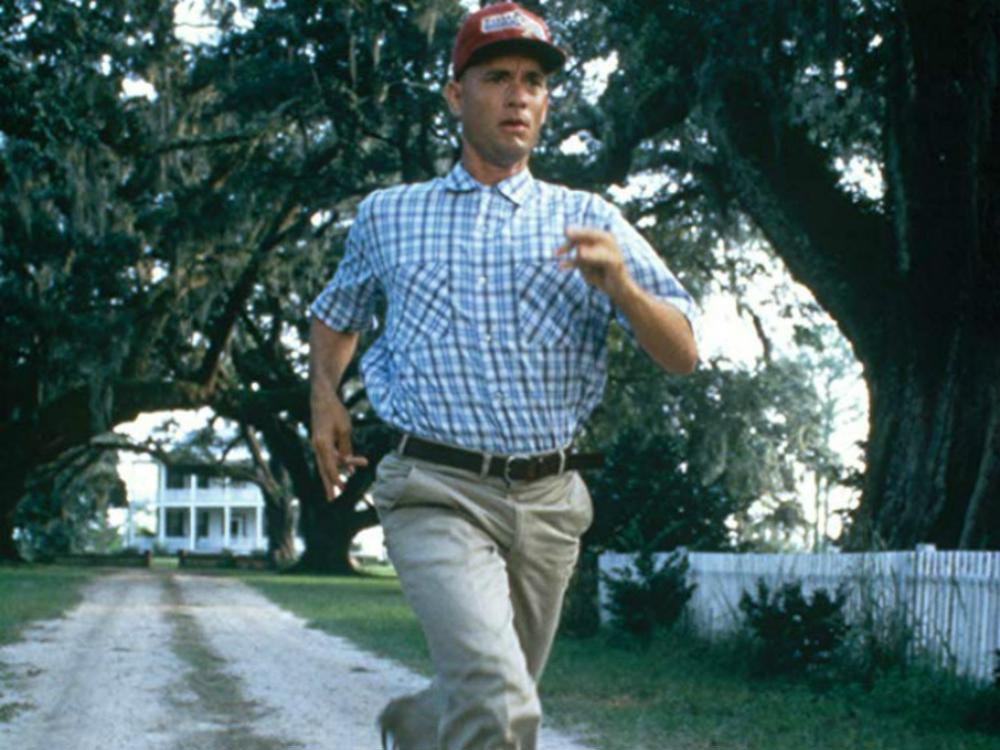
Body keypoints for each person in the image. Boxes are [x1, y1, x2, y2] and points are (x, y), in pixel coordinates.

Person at [308, 3, 698, 748]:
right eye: (496, 78)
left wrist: (622, 288)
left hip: (550, 504)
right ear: (456, 94)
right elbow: (337, 315)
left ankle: (422, 723)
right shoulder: (389, 216)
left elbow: (682, 351)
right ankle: (446, 717)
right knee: (499, 698)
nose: (518, 96)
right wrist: (324, 394)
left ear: (546, 103)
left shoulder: (589, 219)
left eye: (533, 82)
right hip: (433, 488)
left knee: (493, 691)